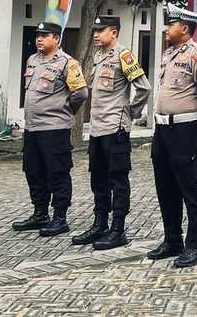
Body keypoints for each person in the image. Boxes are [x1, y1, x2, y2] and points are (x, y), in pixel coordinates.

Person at [68, 15, 151, 249]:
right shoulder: (98, 56)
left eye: (100, 30)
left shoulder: (124, 56)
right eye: (94, 30)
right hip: (97, 129)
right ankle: (100, 224)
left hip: (115, 128)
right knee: (98, 179)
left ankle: (117, 229)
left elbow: (144, 88)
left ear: (113, 32)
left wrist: (130, 113)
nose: (95, 34)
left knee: (118, 180)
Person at [146, 4, 197, 268]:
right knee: (165, 187)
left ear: (184, 28)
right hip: (163, 129)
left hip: (185, 130)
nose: (167, 28)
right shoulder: (168, 54)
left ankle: (195, 246)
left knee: (191, 188)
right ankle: (172, 240)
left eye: (171, 24)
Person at [11, 21, 88, 237]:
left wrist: (63, 110)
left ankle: (60, 218)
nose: (39, 39)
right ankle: (40, 214)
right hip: (32, 128)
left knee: (57, 173)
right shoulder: (32, 60)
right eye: (38, 35)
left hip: (55, 129)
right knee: (33, 171)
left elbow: (81, 93)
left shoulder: (67, 63)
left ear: (56, 39)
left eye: (44, 35)